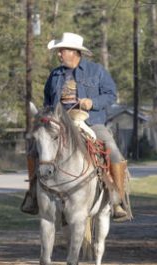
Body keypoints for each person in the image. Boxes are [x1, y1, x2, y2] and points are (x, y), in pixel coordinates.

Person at [20, 32, 131, 221]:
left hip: (90, 121)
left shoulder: (96, 71)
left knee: (113, 152)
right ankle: (32, 194)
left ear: (74, 52)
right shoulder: (55, 75)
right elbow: (48, 101)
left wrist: (92, 102)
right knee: (33, 150)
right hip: (60, 124)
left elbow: (111, 95)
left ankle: (118, 200)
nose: (59, 54)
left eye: (62, 50)